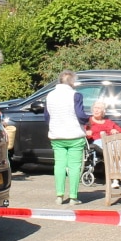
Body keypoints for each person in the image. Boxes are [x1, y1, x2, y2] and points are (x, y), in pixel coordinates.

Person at [45, 70, 89, 205]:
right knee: (74, 166)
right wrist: (88, 120)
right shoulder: (76, 95)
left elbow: (47, 116)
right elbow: (80, 115)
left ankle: (59, 196)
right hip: (74, 135)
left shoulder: (50, 95)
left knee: (59, 165)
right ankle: (73, 197)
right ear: (72, 82)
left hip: (57, 135)